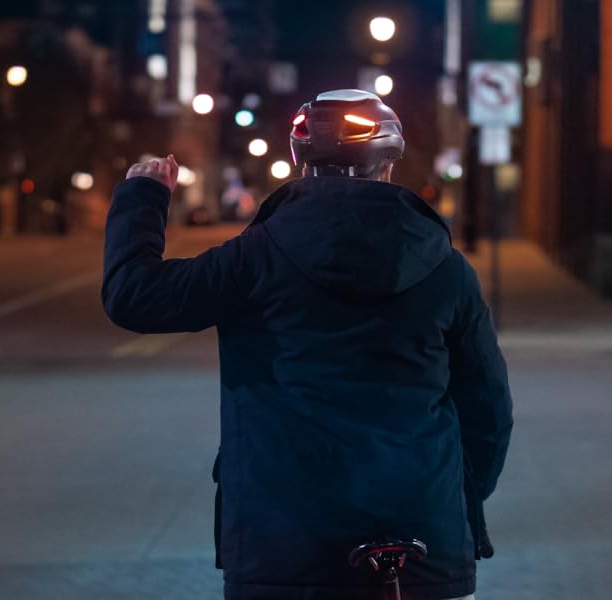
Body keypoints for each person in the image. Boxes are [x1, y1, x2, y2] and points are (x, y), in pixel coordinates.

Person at [102, 89, 513, 600]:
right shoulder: (448, 269)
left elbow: (134, 297)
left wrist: (143, 198)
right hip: (421, 541)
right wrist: (453, 496)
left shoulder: (254, 258)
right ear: (389, 163)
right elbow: (489, 409)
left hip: (282, 543)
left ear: (302, 164)